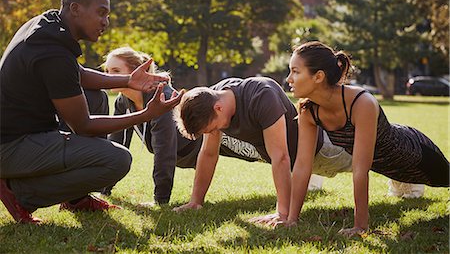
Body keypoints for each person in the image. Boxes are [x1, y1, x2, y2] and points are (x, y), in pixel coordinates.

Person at [0, 0, 183, 224]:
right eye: (101, 13)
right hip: (10, 146)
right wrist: (145, 115)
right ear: (75, 8)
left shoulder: (47, 25)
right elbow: (83, 126)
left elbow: (79, 75)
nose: (105, 22)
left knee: (94, 97)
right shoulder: (52, 52)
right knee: (117, 160)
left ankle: (75, 198)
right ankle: (19, 193)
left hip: (23, 134)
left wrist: (129, 80)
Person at [279, 41, 449, 236]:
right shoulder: (308, 111)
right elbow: (302, 165)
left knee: (446, 180)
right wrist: (291, 219)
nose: (289, 79)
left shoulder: (362, 103)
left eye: (295, 71)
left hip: (414, 154)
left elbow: (360, 169)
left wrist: (360, 226)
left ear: (318, 76)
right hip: (387, 168)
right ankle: (404, 184)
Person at [101, 47, 280, 204]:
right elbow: (117, 142)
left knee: (263, 152)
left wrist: (160, 200)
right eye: (107, 71)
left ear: (137, 71)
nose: (108, 77)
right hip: (186, 152)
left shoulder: (162, 97)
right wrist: (105, 190)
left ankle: (305, 173)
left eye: (115, 71)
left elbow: (164, 152)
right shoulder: (122, 101)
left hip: (204, 138)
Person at [173, 77, 346, 219]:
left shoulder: (262, 95)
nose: (213, 133)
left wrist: (282, 213)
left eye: (212, 128)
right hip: (299, 163)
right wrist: (196, 201)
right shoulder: (211, 99)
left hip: (326, 149)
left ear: (218, 108)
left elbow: (280, 157)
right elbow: (209, 153)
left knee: (369, 160)